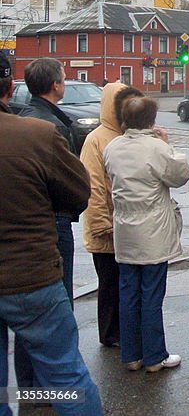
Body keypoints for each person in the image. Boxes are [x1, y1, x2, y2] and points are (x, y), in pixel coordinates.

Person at [0, 52, 104, 416]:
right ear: (10, 88)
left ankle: (27, 397)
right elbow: (78, 191)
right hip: (30, 274)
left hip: (28, 272)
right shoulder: (37, 134)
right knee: (65, 375)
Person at [104, 96, 189, 373]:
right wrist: (166, 144)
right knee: (151, 294)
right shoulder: (156, 148)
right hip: (152, 230)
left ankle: (131, 355)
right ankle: (154, 356)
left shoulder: (113, 147)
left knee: (128, 293)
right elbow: (179, 175)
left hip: (125, 229)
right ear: (152, 120)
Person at [16, 57, 77, 390]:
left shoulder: (26, 117)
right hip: (52, 223)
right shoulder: (48, 126)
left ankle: (29, 389)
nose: (65, 83)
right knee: (54, 311)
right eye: (64, 78)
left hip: (32, 225)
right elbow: (70, 183)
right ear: (55, 85)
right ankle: (57, 392)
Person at [80, 82, 144, 349]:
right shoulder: (96, 139)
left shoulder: (129, 135)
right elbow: (92, 185)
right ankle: (109, 334)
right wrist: (100, 224)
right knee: (109, 284)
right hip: (107, 229)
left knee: (127, 284)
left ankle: (125, 330)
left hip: (128, 225)